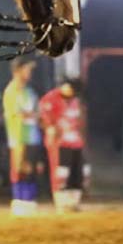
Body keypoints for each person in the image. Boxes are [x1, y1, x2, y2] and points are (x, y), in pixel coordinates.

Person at [39, 78, 87, 212]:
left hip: (75, 141)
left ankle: (74, 202)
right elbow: (43, 119)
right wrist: (51, 129)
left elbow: (80, 120)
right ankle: (61, 202)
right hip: (59, 142)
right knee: (61, 172)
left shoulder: (76, 101)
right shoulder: (50, 98)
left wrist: (82, 136)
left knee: (76, 171)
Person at [2, 58, 42, 215]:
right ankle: (20, 200)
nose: (29, 73)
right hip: (18, 137)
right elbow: (17, 114)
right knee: (20, 169)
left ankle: (29, 200)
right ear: (17, 71)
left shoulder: (30, 92)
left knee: (31, 170)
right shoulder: (11, 91)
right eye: (26, 69)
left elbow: (37, 113)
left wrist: (31, 115)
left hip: (33, 136)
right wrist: (30, 115)